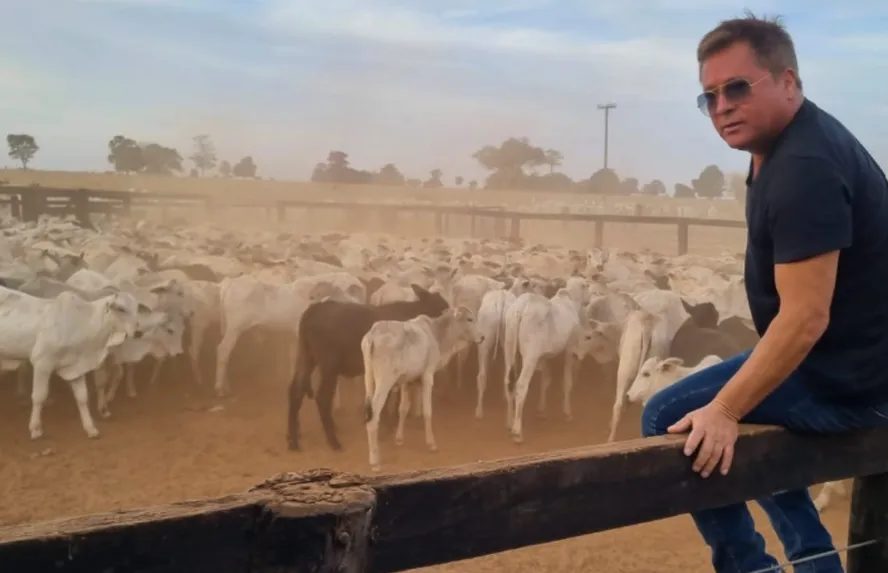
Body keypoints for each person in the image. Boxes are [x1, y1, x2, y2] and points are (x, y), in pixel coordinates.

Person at [641, 14, 888, 573]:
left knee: (668, 415)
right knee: (748, 398)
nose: (722, 105)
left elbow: (804, 318)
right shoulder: (785, 148)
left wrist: (726, 407)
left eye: (737, 87)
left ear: (789, 83)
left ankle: (746, 565)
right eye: (709, 96)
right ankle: (815, 560)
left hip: (853, 381)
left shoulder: (805, 166)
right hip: (849, 362)